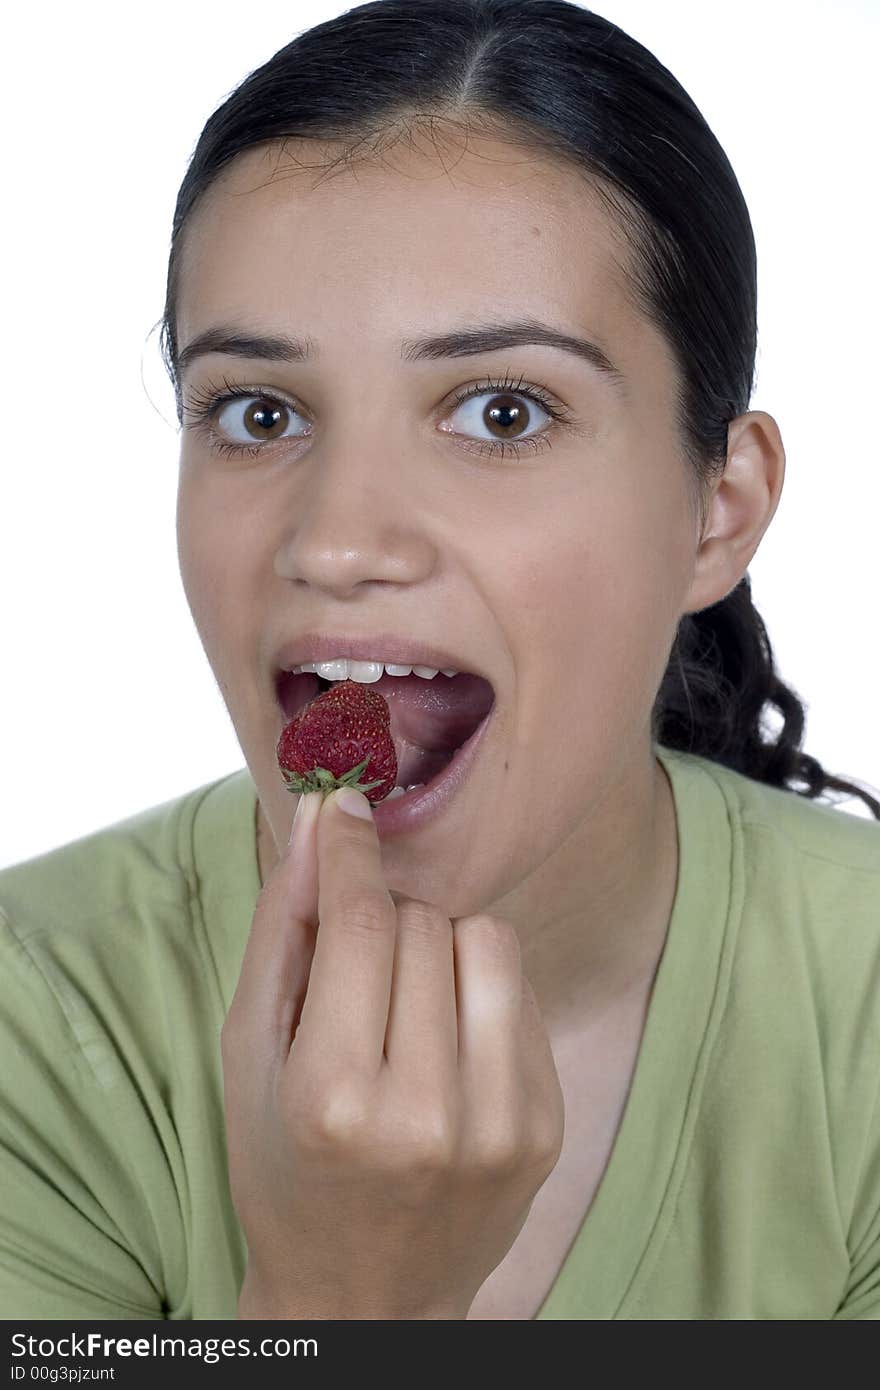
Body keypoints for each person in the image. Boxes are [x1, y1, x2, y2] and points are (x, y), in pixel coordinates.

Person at [2, 0, 878, 1322]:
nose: (340, 541)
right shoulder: (31, 1022)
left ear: (722, 508)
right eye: (260, 411)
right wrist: (342, 1295)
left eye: (501, 410)